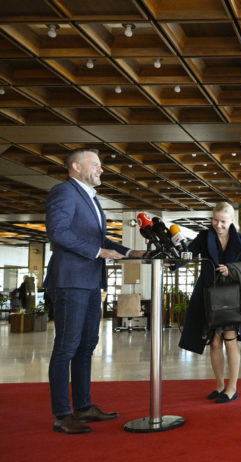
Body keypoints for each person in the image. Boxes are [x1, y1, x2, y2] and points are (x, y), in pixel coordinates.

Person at [45, 148, 146, 434]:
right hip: (70, 281)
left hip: (90, 281)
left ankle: (83, 406)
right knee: (66, 346)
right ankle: (62, 414)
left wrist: (129, 251)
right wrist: (98, 251)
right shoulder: (63, 192)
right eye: (96, 165)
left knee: (86, 345)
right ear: (76, 167)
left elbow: (98, 236)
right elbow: (58, 232)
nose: (101, 170)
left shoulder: (90, 198)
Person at [179, 202, 241, 403]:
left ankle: (232, 388)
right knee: (214, 342)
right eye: (215, 220)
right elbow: (188, 253)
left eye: (223, 221)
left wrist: (231, 269)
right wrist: (172, 263)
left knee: (230, 339)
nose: (218, 225)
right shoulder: (204, 236)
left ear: (232, 221)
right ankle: (219, 385)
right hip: (209, 295)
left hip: (232, 297)